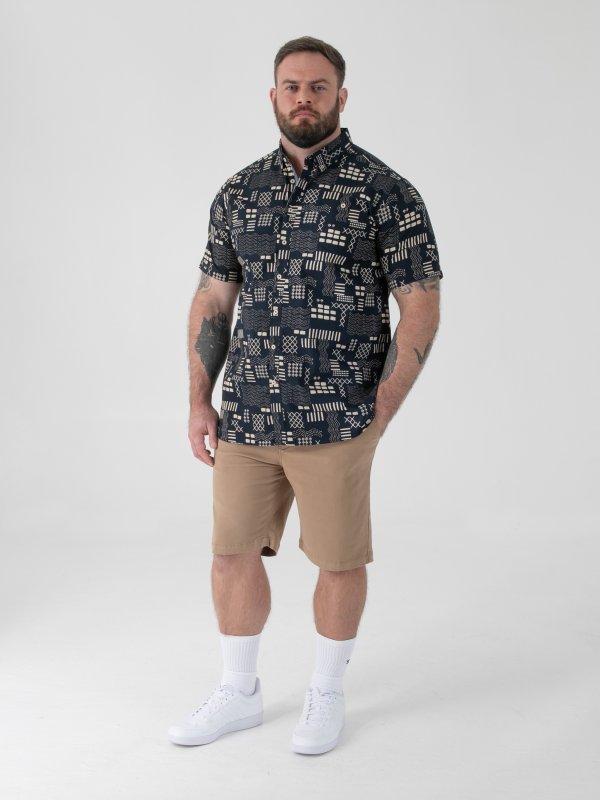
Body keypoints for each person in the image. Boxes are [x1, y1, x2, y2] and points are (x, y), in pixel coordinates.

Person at [168, 35, 443, 755]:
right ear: (273, 96)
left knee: (338, 559)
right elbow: (213, 298)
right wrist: (200, 399)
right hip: (249, 414)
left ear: (341, 97)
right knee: (230, 553)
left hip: (340, 416)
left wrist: (382, 408)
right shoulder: (240, 192)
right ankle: (239, 690)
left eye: (318, 87)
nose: (303, 99)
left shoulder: (386, 193)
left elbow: (420, 305)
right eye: (291, 87)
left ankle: (326, 691)